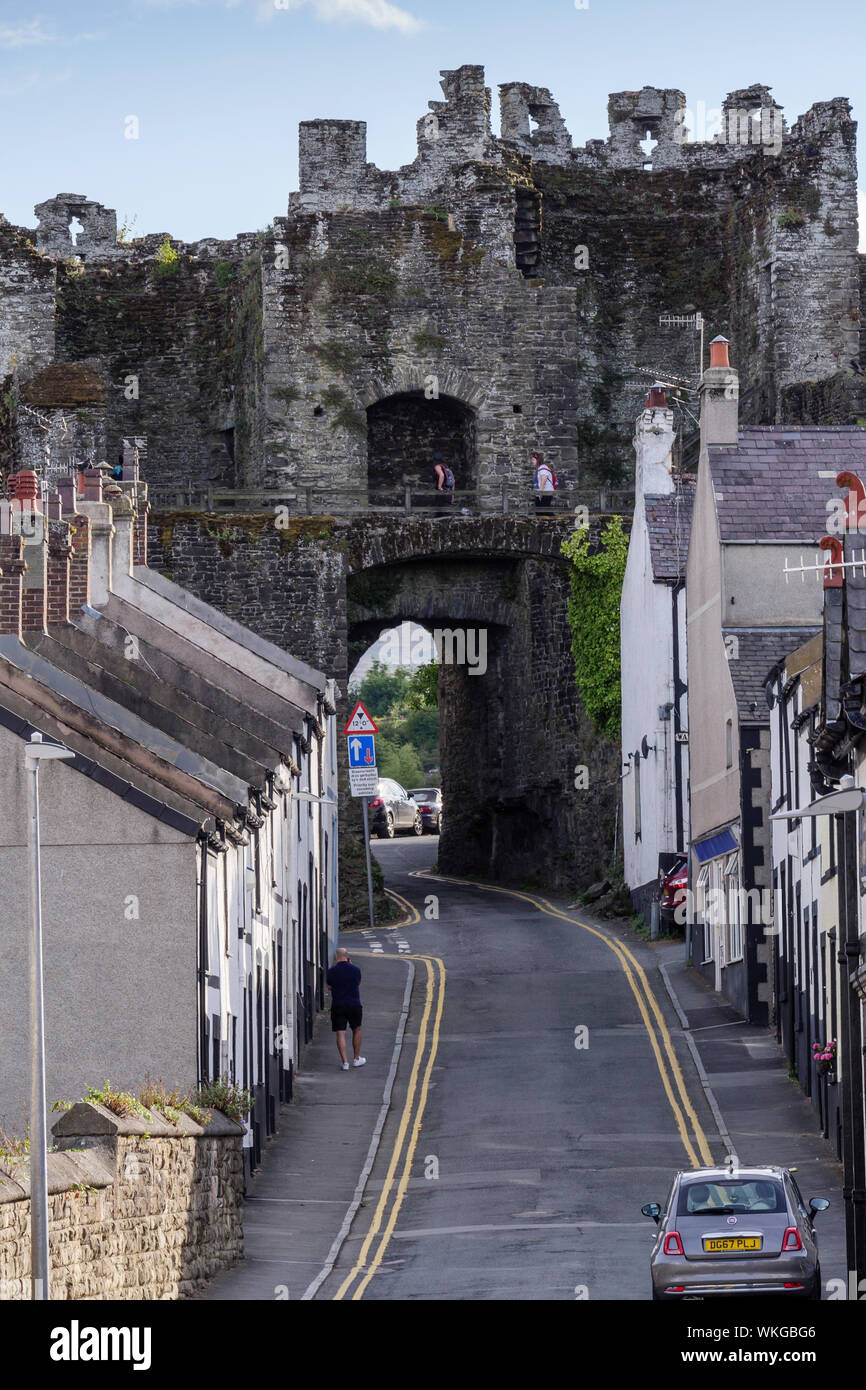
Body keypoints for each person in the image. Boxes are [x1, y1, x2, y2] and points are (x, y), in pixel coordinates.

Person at [327, 947, 366, 1070]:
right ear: (347, 957)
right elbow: (358, 982)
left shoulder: (331, 971)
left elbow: (329, 987)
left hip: (338, 1005)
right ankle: (356, 1059)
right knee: (357, 1029)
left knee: (340, 1033)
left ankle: (345, 1063)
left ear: (336, 958)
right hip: (354, 1004)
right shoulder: (355, 970)